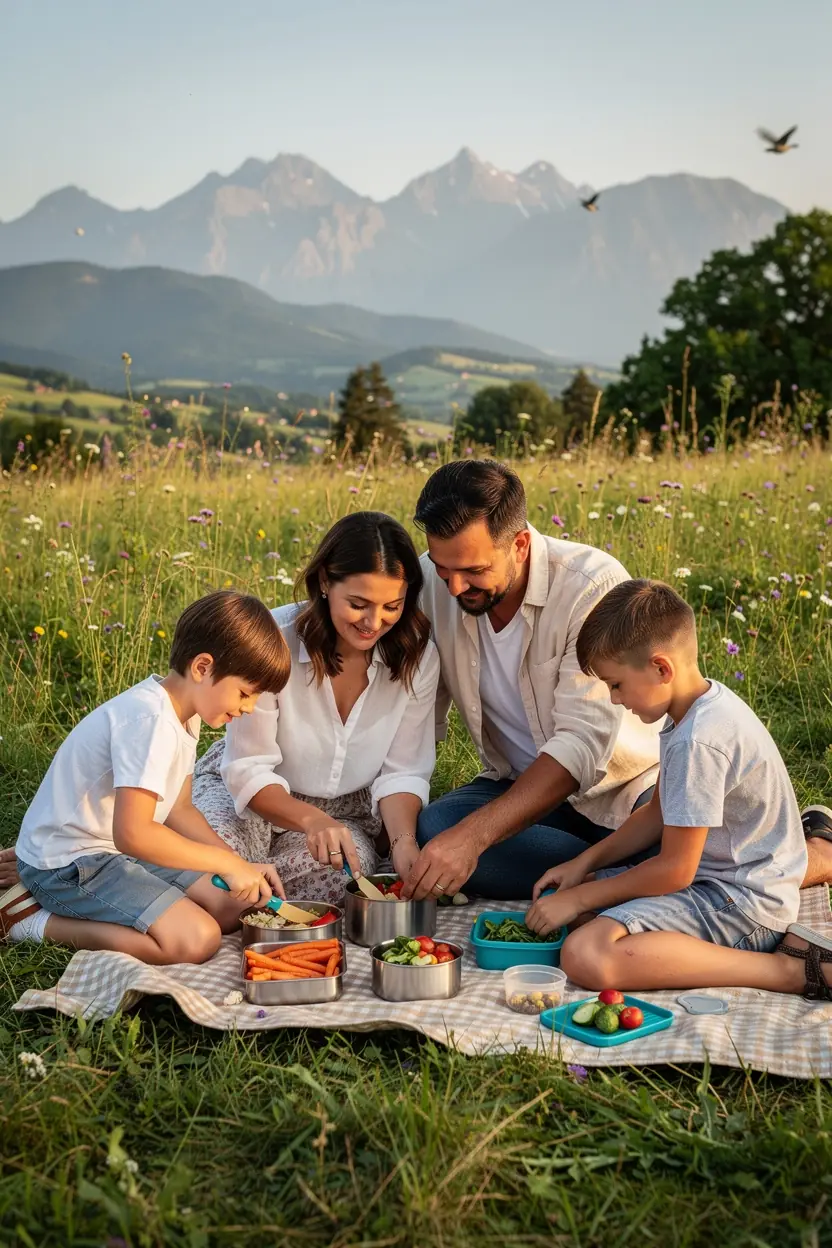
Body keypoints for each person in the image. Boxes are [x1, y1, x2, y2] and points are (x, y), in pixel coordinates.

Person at [525, 579, 832, 1000]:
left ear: (661, 668)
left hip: (744, 905)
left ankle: (791, 970)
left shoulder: (698, 741)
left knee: (585, 954)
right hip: (719, 881)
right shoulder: (692, 710)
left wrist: (581, 899)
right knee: (576, 903)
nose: (615, 700)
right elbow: (656, 813)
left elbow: (675, 871)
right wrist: (584, 863)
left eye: (616, 684)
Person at [403, 459, 662, 902]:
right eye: (444, 569)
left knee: (677, 836)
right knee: (434, 830)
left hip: (627, 792)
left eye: (474, 571)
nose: (454, 589)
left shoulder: (591, 586)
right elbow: (414, 714)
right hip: (516, 788)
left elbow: (581, 744)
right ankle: (623, 877)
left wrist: (474, 839)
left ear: (520, 545)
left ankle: (635, 868)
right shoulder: (432, 580)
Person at [0, 591, 290, 963]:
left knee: (230, 907)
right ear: (203, 668)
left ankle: (144, 907)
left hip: (115, 851)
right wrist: (225, 865)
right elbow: (133, 833)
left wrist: (235, 861)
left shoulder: (184, 714)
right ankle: (27, 919)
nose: (249, 708)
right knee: (197, 940)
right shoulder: (149, 722)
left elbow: (179, 810)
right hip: (69, 863)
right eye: (245, 694)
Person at [191, 512, 440, 904]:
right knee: (219, 880)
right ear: (325, 581)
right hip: (250, 796)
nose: (374, 623)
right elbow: (248, 769)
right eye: (358, 604)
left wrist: (404, 844)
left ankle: (253, 892)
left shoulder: (418, 658)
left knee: (347, 877)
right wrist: (311, 820)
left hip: (342, 815)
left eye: (392, 606)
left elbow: (403, 772)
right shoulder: (275, 640)